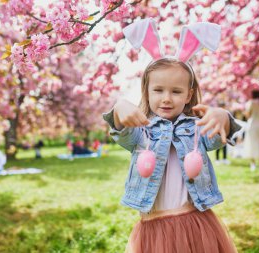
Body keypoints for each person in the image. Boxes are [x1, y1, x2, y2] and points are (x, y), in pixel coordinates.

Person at [102, 20, 241, 253]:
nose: (166, 98)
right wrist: (118, 109)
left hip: (194, 221)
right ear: (146, 91)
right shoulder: (141, 130)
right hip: (153, 228)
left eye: (176, 91)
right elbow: (121, 132)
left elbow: (218, 136)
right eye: (158, 90)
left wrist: (223, 117)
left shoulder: (196, 128)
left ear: (189, 95)